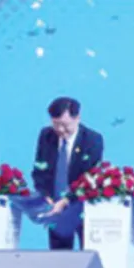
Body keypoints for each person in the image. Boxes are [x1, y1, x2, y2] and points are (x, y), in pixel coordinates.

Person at [30, 97, 104, 249]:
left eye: (65, 125)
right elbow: (40, 170)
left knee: (87, 251)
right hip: (54, 207)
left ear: (77, 118)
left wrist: (66, 200)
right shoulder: (46, 136)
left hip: (81, 205)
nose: (60, 130)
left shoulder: (93, 140)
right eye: (55, 124)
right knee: (59, 255)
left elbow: (90, 177)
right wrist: (45, 196)